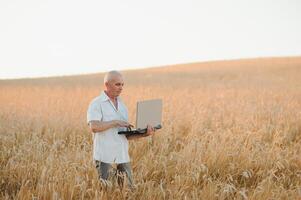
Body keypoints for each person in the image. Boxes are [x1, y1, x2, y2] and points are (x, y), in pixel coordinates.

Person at [86, 70, 156, 188]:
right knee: (109, 192)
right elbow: (94, 127)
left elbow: (126, 135)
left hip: (122, 156)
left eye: (123, 84)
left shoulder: (123, 106)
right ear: (107, 85)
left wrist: (144, 133)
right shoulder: (96, 103)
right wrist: (115, 122)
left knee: (128, 190)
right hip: (105, 157)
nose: (121, 88)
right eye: (117, 84)